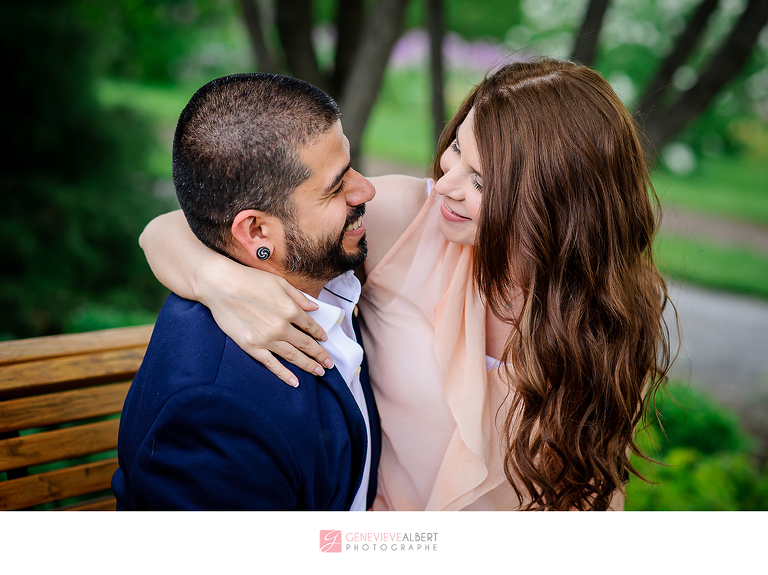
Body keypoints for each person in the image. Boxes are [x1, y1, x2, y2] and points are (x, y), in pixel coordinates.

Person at [140, 58, 674, 511]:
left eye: (481, 180)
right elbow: (179, 227)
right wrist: (220, 281)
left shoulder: (610, 305)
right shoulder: (411, 221)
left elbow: (594, 481)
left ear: (560, 206)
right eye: (458, 148)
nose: (446, 183)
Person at [112, 73, 382, 510]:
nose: (366, 189)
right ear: (256, 230)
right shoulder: (214, 412)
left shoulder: (316, 268)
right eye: (337, 186)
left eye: (350, 165)